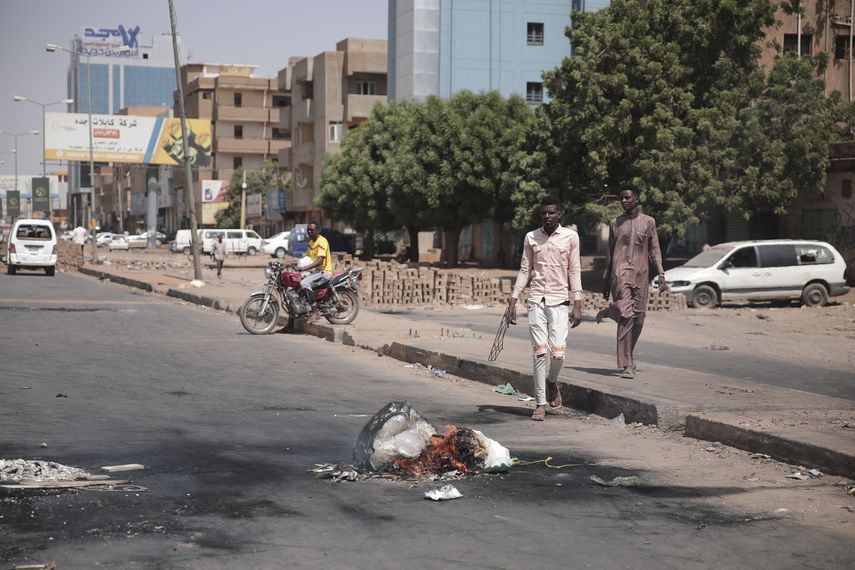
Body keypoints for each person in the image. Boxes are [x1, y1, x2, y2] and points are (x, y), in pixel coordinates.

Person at [508, 195, 583, 421]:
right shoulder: (531, 237)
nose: (547, 216)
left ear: (559, 213)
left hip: (560, 301)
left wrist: (577, 302)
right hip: (536, 301)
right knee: (540, 352)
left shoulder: (571, 237)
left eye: (551, 212)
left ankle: (552, 382)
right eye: (543, 213)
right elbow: (524, 270)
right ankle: (540, 404)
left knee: (558, 354)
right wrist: (513, 300)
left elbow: (574, 270)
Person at [597, 183, 667, 379]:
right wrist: (605, 281)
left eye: (627, 197)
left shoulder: (649, 222)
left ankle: (627, 348)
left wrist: (661, 273)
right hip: (620, 274)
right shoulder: (615, 223)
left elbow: (655, 250)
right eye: (621, 198)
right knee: (627, 315)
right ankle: (627, 363)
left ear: (637, 199)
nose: (624, 201)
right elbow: (609, 255)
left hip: (642, 274)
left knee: (639, 318)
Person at [300, 222, 333, 321]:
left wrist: (304, 268)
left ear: (318, 231)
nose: (309, 231)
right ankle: (291, 323)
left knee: (304, 283)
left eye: (311, 230)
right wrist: (295, 262)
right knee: (296, 287)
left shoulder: (322, 241)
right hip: (315, 271)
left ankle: (315, 312)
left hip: (324, 272)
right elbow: (307, 258)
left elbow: (320, 260)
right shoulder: (311, 243)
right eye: (308, 230)